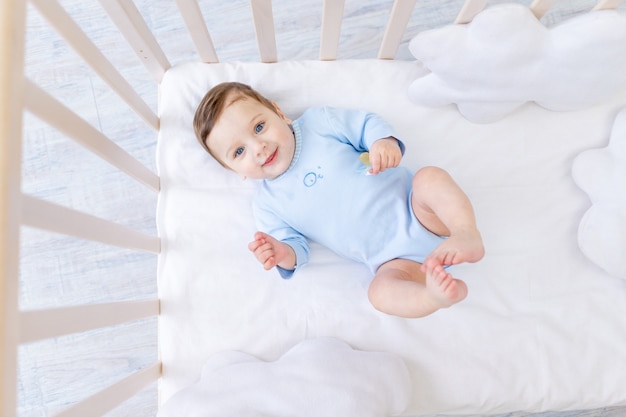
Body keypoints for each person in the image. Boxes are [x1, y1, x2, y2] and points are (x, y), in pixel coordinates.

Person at [193, 82, 484, 318]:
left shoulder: (318, 124)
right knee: (379, 294)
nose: (258, 148)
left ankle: (464, 232)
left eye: (259, 128)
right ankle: (431, 295)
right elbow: (297, 250)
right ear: (234, 172)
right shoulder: (268, 205)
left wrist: (382, 142)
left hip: (418, 209)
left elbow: (364, 124)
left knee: (429, 178)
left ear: (278, 112)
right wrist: (281, 252)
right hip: (392, 261)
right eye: (239, 152)